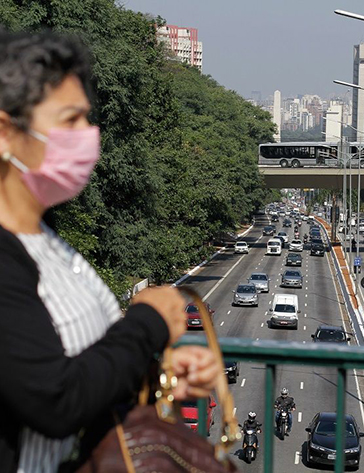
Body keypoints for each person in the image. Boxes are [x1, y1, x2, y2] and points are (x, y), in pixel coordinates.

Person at [0, 31, 221, 473]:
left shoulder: (46, 237)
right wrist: (150, 321)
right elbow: (54, 398)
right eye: (70, 120)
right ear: (6, 132)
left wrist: (155, 373)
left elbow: (80, 368)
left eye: (88, 119)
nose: (88, 135)